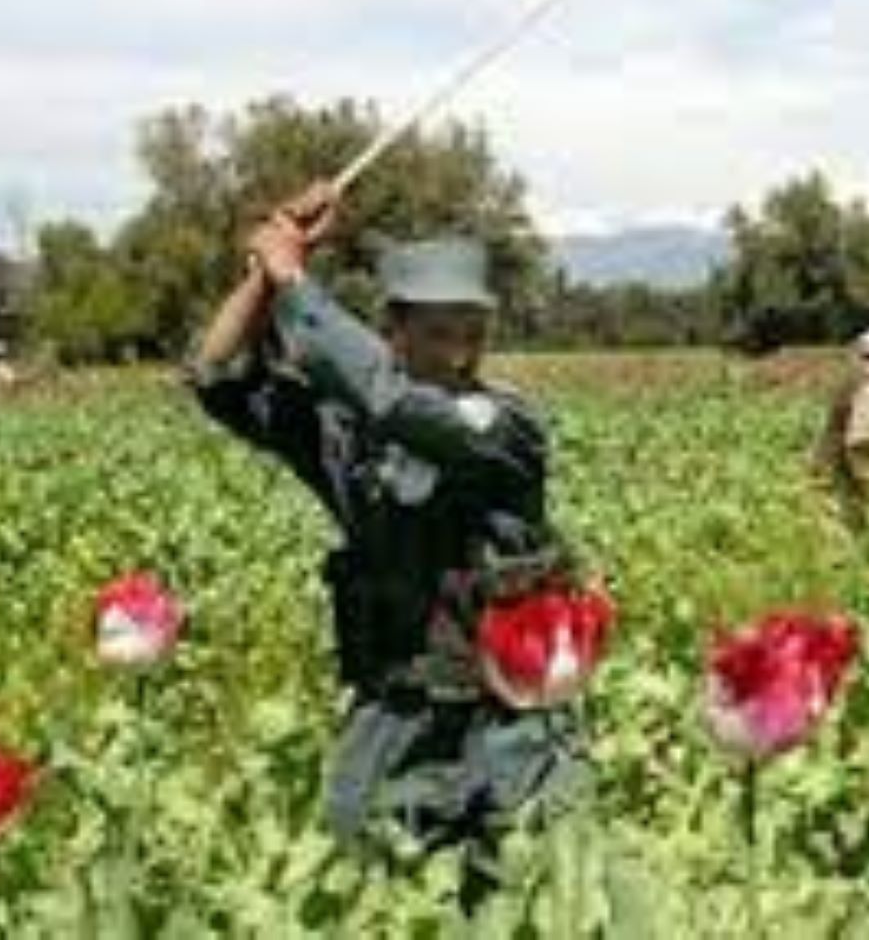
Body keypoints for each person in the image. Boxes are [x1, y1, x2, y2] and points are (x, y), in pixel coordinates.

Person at [188, 182, 586, 909]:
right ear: (394, 331)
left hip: (509, 723)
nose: (459, 352)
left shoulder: (502, 427)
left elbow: (396, 402)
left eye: (472, 331)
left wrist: (294, 281)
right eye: (438, 332)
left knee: (528, 901)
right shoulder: (347, 436)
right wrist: (264, 269)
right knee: (361, 889)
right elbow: (215, 376)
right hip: (395, 715)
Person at [814, 323, 869, 532]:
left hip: (837, 474)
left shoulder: (862, 380)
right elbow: (860, 442)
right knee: (841, 541)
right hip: (836, 479)